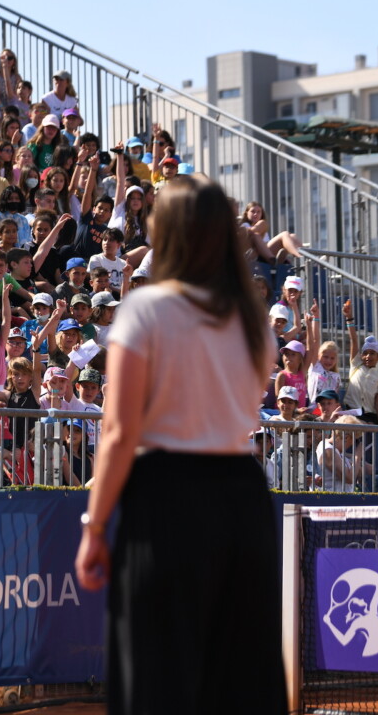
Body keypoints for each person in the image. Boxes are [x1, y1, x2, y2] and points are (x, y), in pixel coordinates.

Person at [75, 174, 285, 714]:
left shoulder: (146, 309)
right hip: (244, 497)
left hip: (167, 497)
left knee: (157, 683)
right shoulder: (253, 320)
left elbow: (120, 431)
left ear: (166, 232)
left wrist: (95, 528)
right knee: (241, 685)